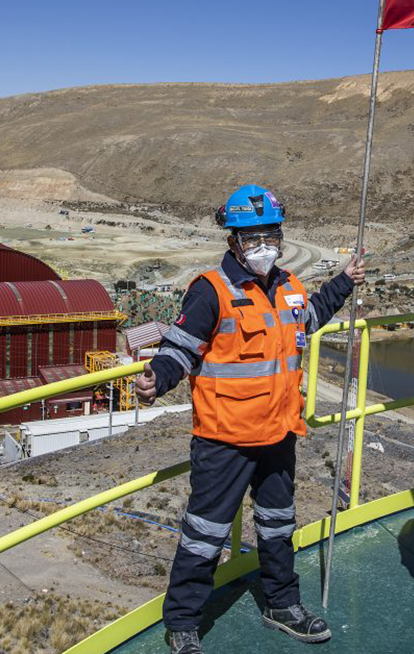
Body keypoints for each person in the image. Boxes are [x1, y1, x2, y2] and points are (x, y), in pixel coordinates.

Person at [134, 184, 364, 654]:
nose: (263, 246)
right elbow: (181, 348)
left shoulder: (289, 286)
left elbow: (311, 317)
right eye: (251, 238)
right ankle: (182, 623)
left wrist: (343, 281)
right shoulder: (210, 291)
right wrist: (158, 378)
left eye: (270, 236)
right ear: (232, 241)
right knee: (205, 534)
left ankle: (282, 604)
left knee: (279, 523)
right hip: (224, 439)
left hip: (279, 433)